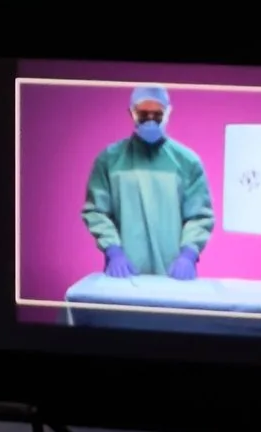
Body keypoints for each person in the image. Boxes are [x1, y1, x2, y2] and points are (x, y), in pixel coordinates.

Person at [80, 78, 214, 281]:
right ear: (131, 113)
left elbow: (199, 216)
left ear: (168, 113)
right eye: (143, 115)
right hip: (125, 273)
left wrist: (188, 255)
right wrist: (113, 251)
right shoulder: (109, 159)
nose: (150, 120)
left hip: (174, 274)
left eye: (157, 114)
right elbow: (96, 211)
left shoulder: (187, 162)